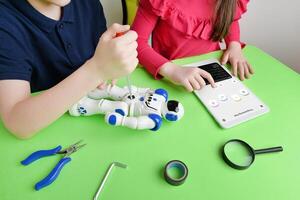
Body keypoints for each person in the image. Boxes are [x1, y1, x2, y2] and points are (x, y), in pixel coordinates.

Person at [0, 0, 138, 139]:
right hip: (44, 135)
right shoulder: (5, 22)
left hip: (91, 130)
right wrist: (96, 70)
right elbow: (17, 123)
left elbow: (99, 53)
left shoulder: (87, 4)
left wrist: (110, 62)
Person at [132, 0, 254, 92]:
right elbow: (136, 43)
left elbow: (230, 17)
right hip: (171, 74)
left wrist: (234, 45)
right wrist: (172, 70)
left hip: (213, 69)